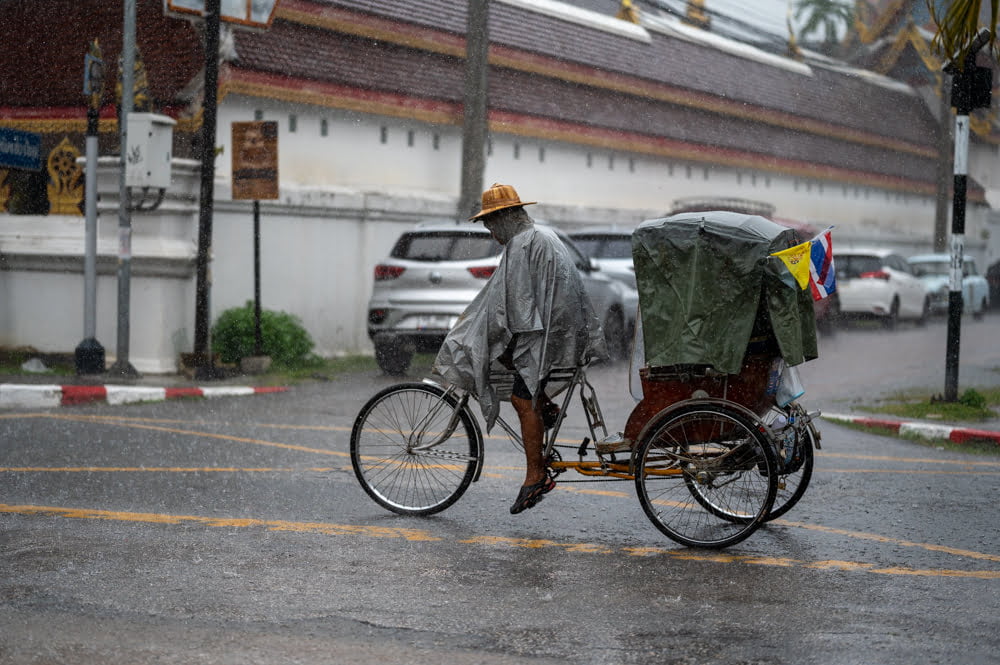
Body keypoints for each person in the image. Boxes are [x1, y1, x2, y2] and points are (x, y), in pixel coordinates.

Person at [433, 183, 607, 514]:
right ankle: (546, 408)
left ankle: (535, 475)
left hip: (549, 336)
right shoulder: (541, 237)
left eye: (491, 223)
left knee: (520, 398)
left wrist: (486, 337)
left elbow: (514, 307)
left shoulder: (522, 245)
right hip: (562, 331)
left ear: (505, 218)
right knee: (513, 366)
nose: (491, 231)